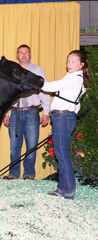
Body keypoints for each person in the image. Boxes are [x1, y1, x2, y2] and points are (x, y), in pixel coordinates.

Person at [42, 50, 89, 200]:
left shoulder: (74, 78)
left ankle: (68, 190)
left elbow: (51, 86)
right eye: (68, 61)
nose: (69, 64)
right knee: (61, 154)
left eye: (73, 61)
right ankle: (63, 188)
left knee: (62, 155)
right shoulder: (75, 78)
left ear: (81, 65)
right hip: (64, 117)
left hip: (63, 117)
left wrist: (34, 82)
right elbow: (77, 105)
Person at [3, 44, 51, 180]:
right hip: (15, 112)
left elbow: (44, 91)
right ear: (17, 55)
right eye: (21, 53)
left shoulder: (37, 70)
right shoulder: (12, 71)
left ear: (30, 55)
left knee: (31, 145)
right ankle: (13, 173)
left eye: (26, 52)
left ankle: (29, 174)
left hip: (32, 112)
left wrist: (46, 112)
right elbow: (7, 94)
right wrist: (6, 113)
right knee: (14, 146)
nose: (24, 55)